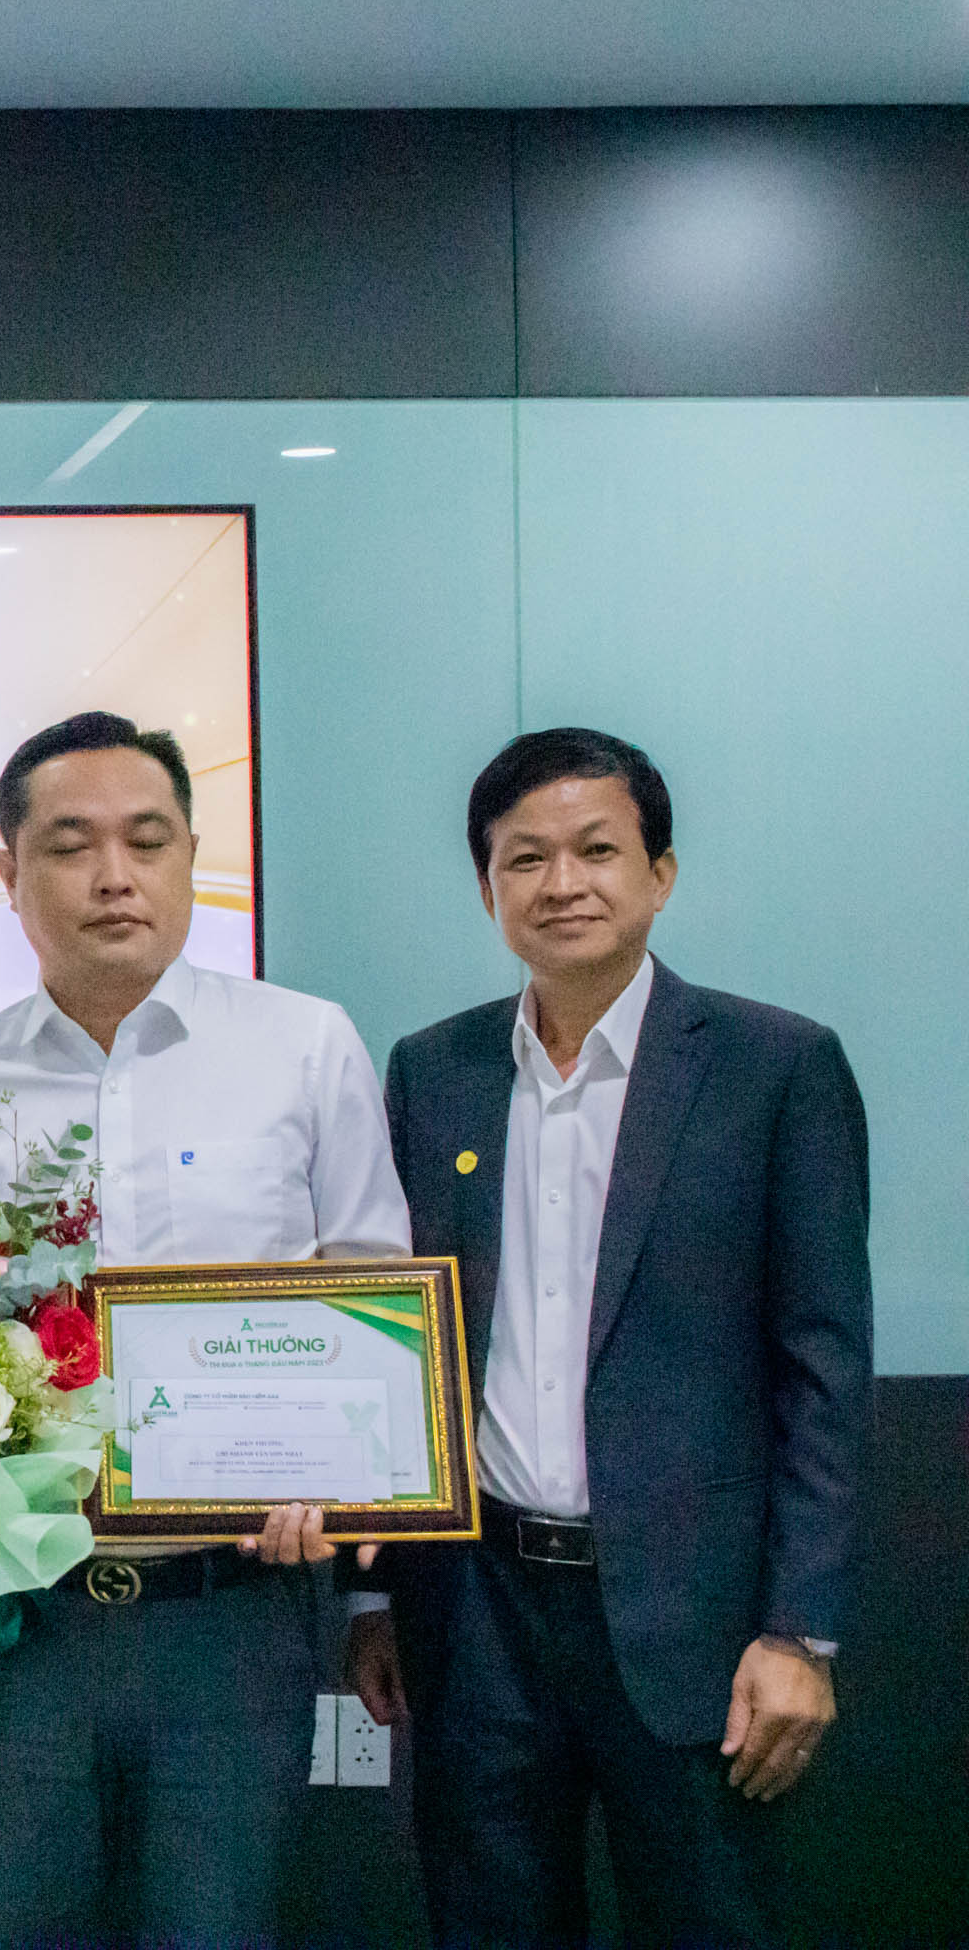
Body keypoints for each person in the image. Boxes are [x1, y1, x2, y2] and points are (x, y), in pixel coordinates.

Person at [0, 711, 410, 1949]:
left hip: (236, 1613)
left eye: (148, 839)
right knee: (18, 1927)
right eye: (71, 845)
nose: (114, 875)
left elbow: (374, 1295)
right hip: (19, 1617)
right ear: (9, 871)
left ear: (190, 857)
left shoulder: (304, 1044)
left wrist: (334, 1483)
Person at [347, 729, 869, 1949]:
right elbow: (393, 1346)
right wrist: (370, 1593)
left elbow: (824, 1365)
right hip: (476, 1612)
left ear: (660, 873)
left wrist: (800, 1629)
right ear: (488, 888)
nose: (562, 882)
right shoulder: (434, 1070)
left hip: (697, 1621)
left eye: (597, 849)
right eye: (524, 858)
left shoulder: (775, 1067)